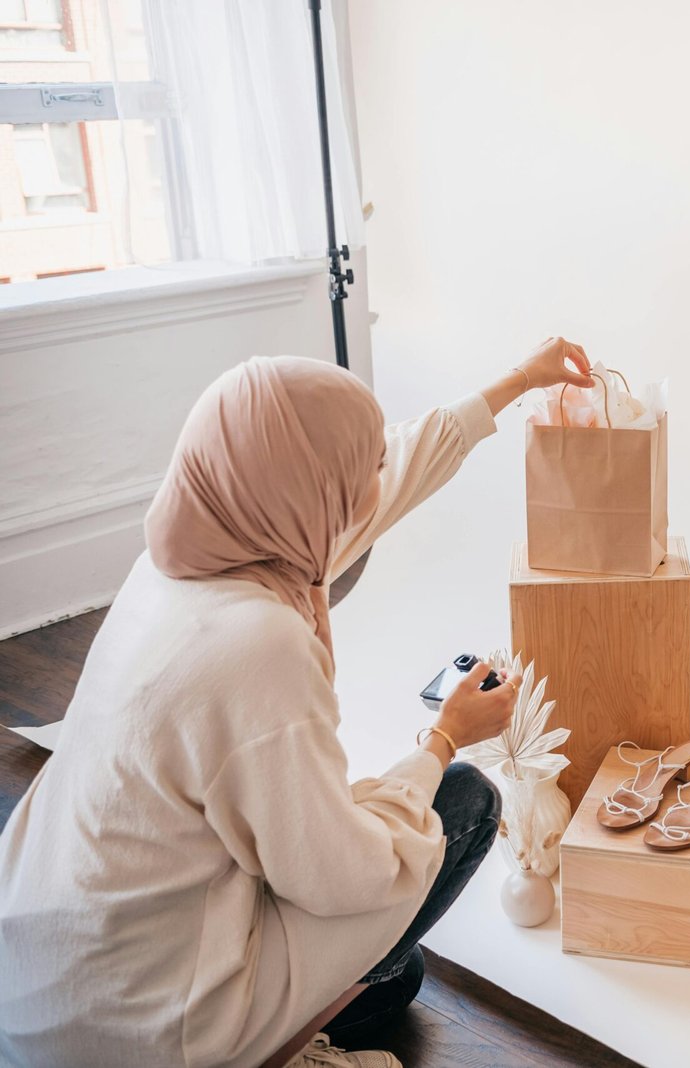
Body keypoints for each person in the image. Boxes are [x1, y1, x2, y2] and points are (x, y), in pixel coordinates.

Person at [0, 338, 595, 1068]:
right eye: (362, 468)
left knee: (400, 976)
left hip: (38, 988)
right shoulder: (260, 643)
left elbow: (399, 465)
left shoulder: (187, 557)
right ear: (314, 492)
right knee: (465, 803)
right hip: (142, 1034)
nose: (376, 478)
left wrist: (521, 378)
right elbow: (347, 877)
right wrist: (445, 737)